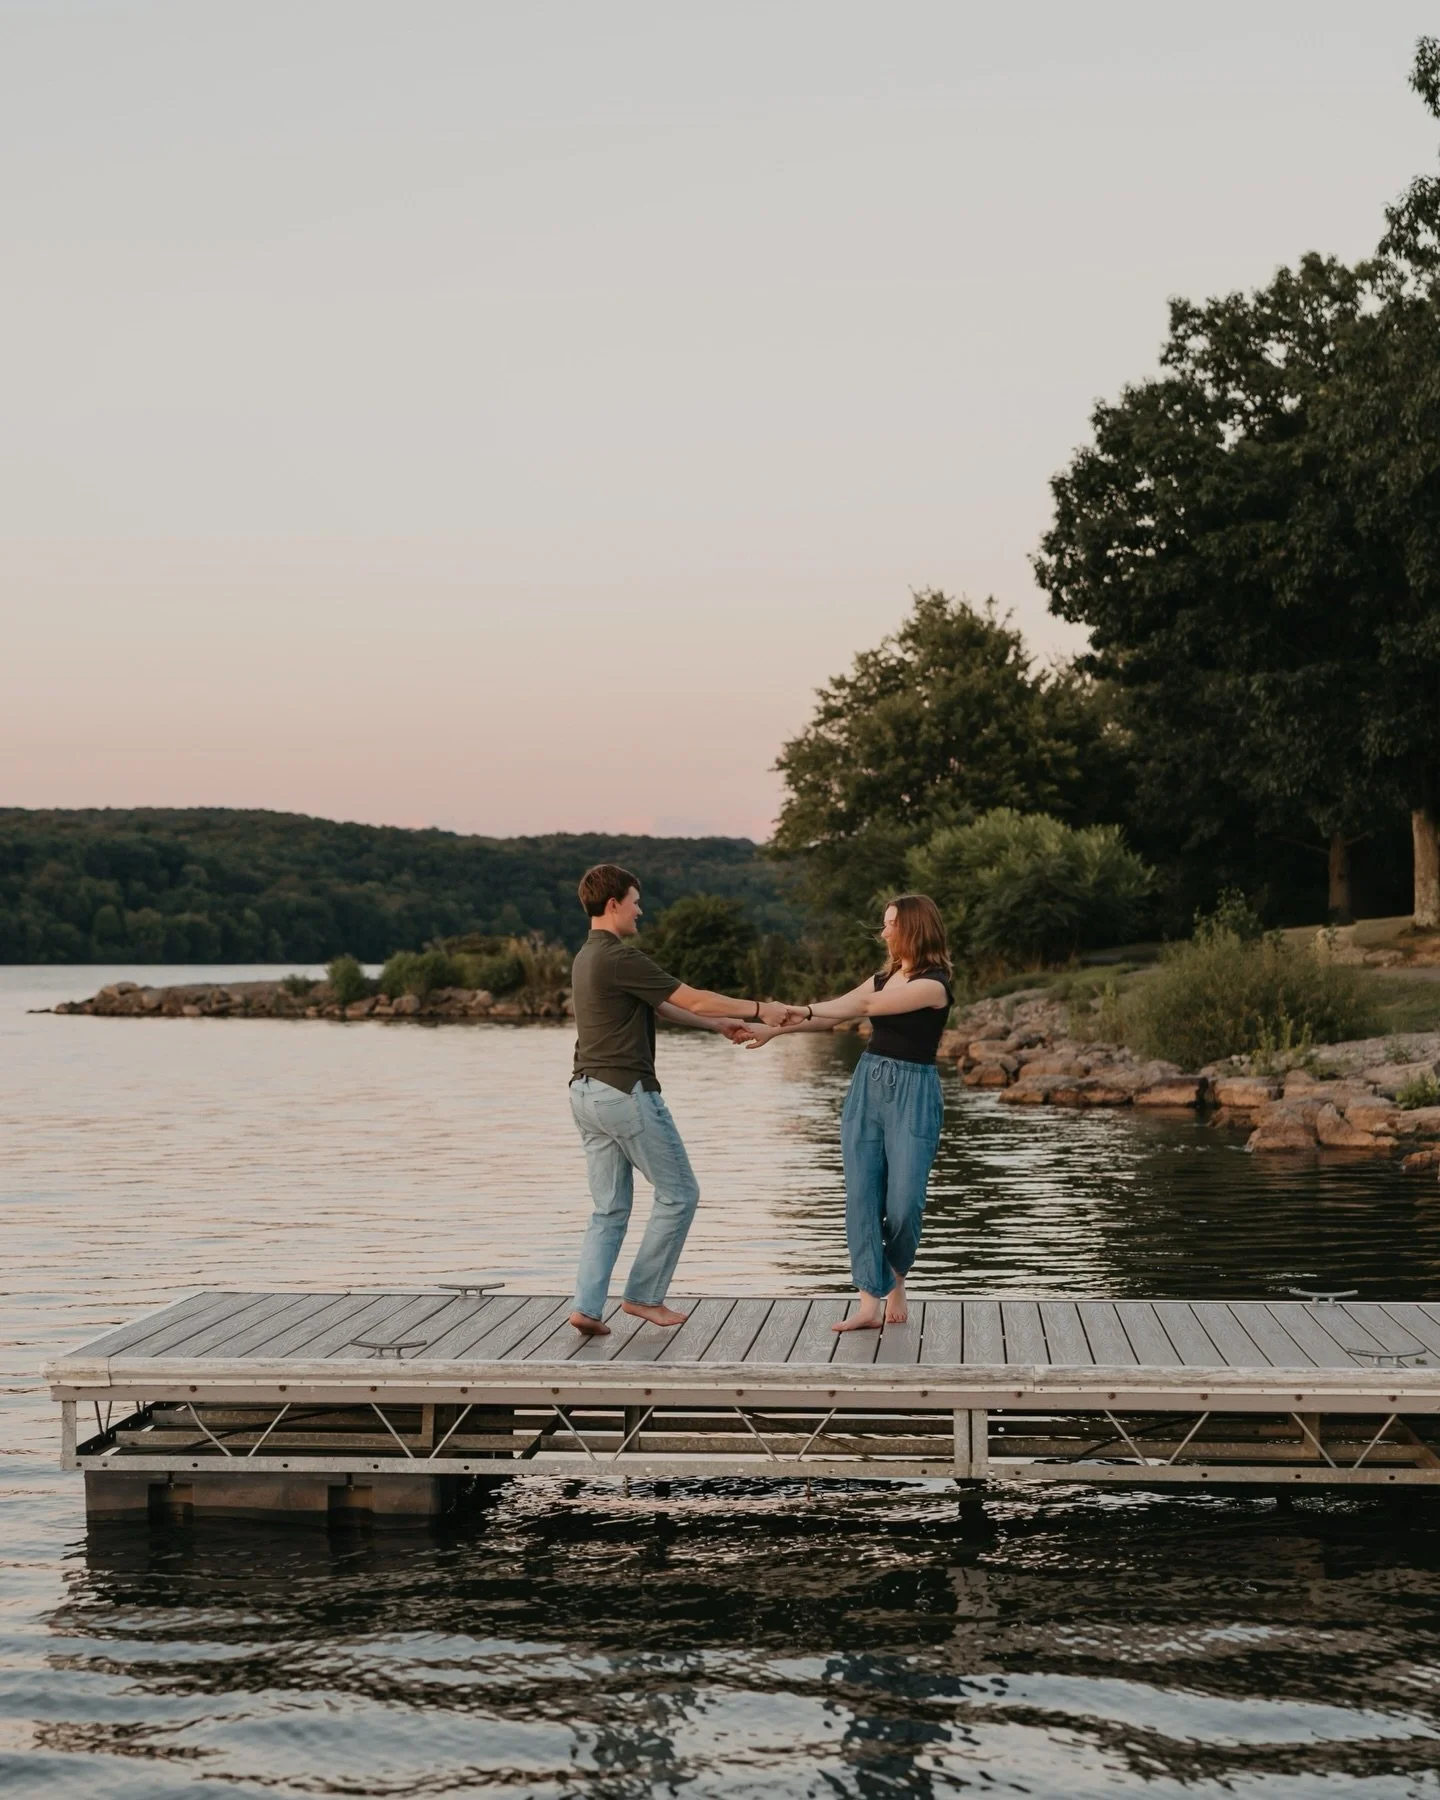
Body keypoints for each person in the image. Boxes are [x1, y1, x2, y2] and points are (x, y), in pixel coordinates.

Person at [567, 863, 800, 1336]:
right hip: (623, 1092)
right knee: (680, 1195)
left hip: (586, 1093)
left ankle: (587, 1308)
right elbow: (692, 997)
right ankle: (644, 1297)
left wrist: (717, 1026)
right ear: (613, 904)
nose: (641, 910)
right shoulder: (619, 956)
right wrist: (761, 1009)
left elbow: (663, 1006)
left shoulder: (587, 957)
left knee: (609, 1209)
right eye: (635, 901)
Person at [744, 894, 953, 1332]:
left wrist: (799, 1007)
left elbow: (864, 1009)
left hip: (914, 1092)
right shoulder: (883, 977)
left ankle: (895, 1277)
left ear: (913, 927)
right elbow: (832, 1015)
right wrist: (773, 1030)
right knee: (861, 1196)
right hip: (868, 1086)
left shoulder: (934, 984)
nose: (884, 932)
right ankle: (867, 1301)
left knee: (904, 1203)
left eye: (891, 923)